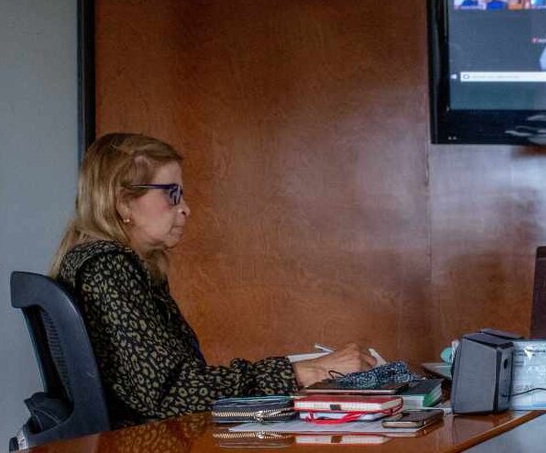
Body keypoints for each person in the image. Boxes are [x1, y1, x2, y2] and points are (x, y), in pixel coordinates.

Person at [50, 133, 375, 428]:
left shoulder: (109, 264)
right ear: (123, 202)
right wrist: (301, 372)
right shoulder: (108, 269)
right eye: (172, 194)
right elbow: (173, 393)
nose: (186, 209)